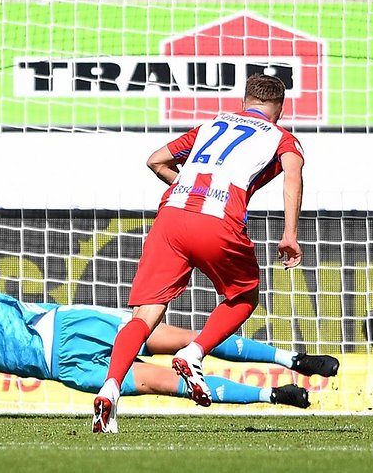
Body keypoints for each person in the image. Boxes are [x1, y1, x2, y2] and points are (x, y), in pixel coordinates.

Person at [93, 73, 304, 433]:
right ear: (279, 110)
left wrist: (186, 187)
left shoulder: (213, 124)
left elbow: (155, 160)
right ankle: (193, 353)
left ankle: (110, 388)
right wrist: (289, 234)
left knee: (144, 316)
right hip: (218, 219)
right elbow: (292, 175)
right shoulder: (282, 138)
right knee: (244, 295)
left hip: (172, 216)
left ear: (244, 102)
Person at [0, 272, 339, 419]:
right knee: (174, 371)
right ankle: (280, 392)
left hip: (69, 330)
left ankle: (290, 365)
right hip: (68, 364)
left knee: (180, 346)